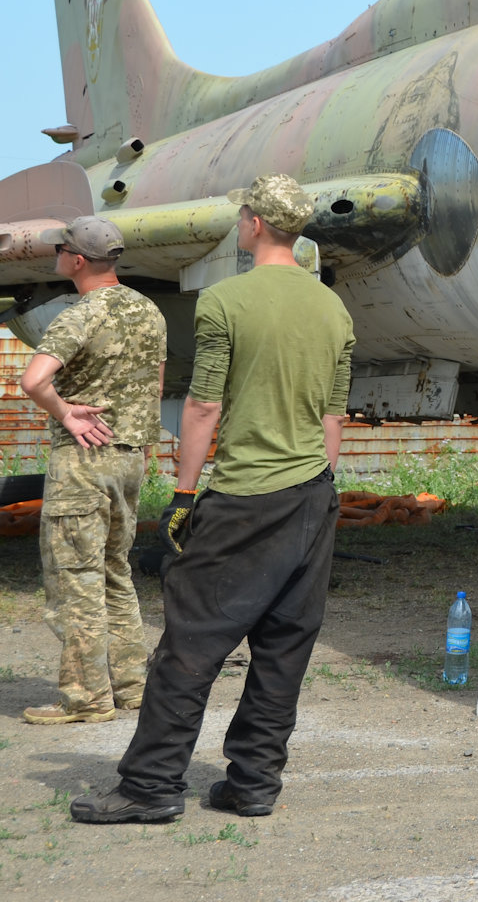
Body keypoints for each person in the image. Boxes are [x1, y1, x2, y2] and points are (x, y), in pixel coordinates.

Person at [71, 175, 355, 825]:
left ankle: (149, 788)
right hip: (313, 497)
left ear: (254, 223)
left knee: (190, 647)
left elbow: (203, 406)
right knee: (284, 647)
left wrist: (184, 493)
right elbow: (334, 419)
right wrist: (321, 492)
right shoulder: (333, 310)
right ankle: (254, 784)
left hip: (241, 498)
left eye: (244, 214)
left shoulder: (225, 302)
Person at [18, 216, 167, 726]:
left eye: (62, 249)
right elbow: (157, 381)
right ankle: (130, 686)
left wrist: (65, 412)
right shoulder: (148, 311)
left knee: (75, 581)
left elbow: (33, 379)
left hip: (82, 461)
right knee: (115, 574)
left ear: (77, 260)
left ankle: (86, 698)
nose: (57, 255)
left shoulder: (81, 313)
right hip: (130, 459)